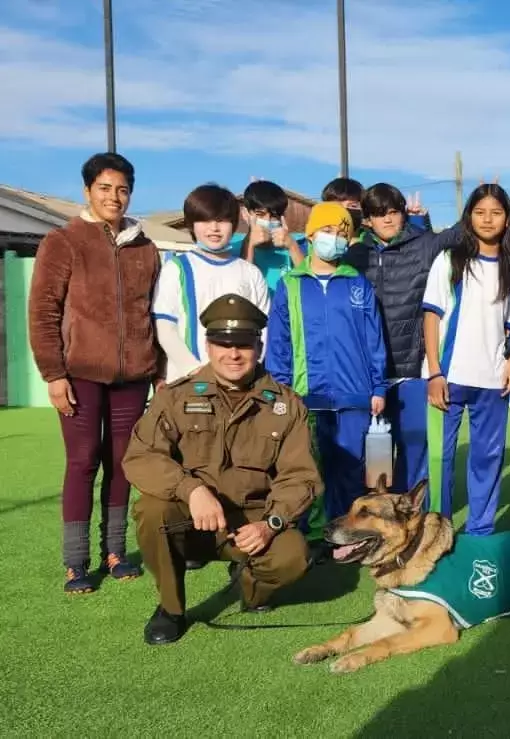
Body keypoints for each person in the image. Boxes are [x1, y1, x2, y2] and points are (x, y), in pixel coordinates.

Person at [122, 294, 323, 645]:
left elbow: (300, 477)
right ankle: (171, 609)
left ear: (258, 346)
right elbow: (141, 457)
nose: (233, 354)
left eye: (243, 344)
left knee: (293, 557)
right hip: (194, 519)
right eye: (223, 343)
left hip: (252, 521)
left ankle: (249, 586)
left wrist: (270, 524)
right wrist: (191, 490)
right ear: (208, 345)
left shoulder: (287, 406)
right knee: (151, 510)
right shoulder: (176, 397)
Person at [28, 152, 162, 594]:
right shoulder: (63, 241)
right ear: (87, 191)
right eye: (104, 188)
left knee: (122, 464)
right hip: (79, 374)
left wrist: (157, 369)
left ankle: (116, 551)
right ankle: (76, 561)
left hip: (134, 377)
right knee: (83, 462)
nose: (114, 197)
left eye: (122, 189)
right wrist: (54, 374)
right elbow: (43, 311)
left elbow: (155, 314)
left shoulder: (146, 248)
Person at [266, 202, 386, 536]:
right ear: (310, 234)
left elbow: (374, 339)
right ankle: (309, 535)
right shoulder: (289, 285)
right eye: (328, 231)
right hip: (306, 396)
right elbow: (279, 344)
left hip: (354, 396)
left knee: (350, 469)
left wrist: (378, 388)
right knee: (308, 471)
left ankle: (345, 536)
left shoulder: (357, 285)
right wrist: (281, 391)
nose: (335, 239)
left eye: (342, 234)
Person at [344, 183, 463, 493]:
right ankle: (373, 529)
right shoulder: (353, 255)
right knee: (370, 460)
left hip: (413, 372)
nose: (387, 220)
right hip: (368, 376)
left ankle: (413, 525)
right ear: (366, 220)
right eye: (378, 214)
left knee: (415, 453)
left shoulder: (424, 244)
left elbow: (464, 233)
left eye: (393, 212)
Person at [422, 184, 510, 535]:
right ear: (469, 218)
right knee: (440, 460)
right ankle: (437, 532)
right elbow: (431, 317)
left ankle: (480, 532)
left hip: (492, 381)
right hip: (447, 378)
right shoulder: (449, 261)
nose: (488, 219)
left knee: (487, 460)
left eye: (496, 212)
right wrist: (434, 372)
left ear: (508, 219)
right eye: (480, 212)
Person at [153, 184, 270, 383]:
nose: (214, 228)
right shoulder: (177, 268)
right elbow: (165, 327)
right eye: (204, 220)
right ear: (191, 224)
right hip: (188, 382)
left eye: (222, 220)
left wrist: (247, 369)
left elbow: (264, 329)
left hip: (240, 384)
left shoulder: (251, 273)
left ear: (233, 224)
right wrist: (192, 369)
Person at [238, 180, 306, 292]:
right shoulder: (232, 249)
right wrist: (249, 245)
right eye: (260, 214)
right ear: (245, 214)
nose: (267, 221)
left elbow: (309, 286)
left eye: (274, 216)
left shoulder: (294, 248)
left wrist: (293, 247)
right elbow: (241, 287)